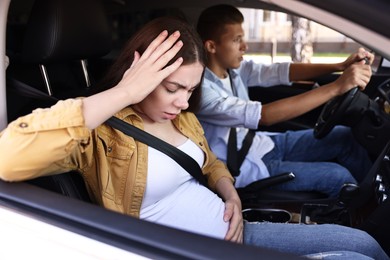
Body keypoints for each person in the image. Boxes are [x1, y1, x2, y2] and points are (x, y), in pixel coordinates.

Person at [0, 16, 387, 259]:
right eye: (171, 88)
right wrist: (123, 93)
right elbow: (8, 158)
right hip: (192, 249)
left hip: (236, 226)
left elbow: (210, 162)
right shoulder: (101, 133)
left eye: (190, 89)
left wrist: (230, 192)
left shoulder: (183, 118)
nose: (183, 102)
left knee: (364, 245)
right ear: (140, 77)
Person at [196, 4, 374, 198]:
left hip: (263, 144)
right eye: (236, 40)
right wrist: (337, 87)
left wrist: (339, 65)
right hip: (245, 166)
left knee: (344, 136)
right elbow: (264, 116)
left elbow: (279, 71)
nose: (245, 46)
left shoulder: (234, 70)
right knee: (339, 177)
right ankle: (364, 218)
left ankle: (373, 197)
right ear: (212, 46)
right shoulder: (202, 92)